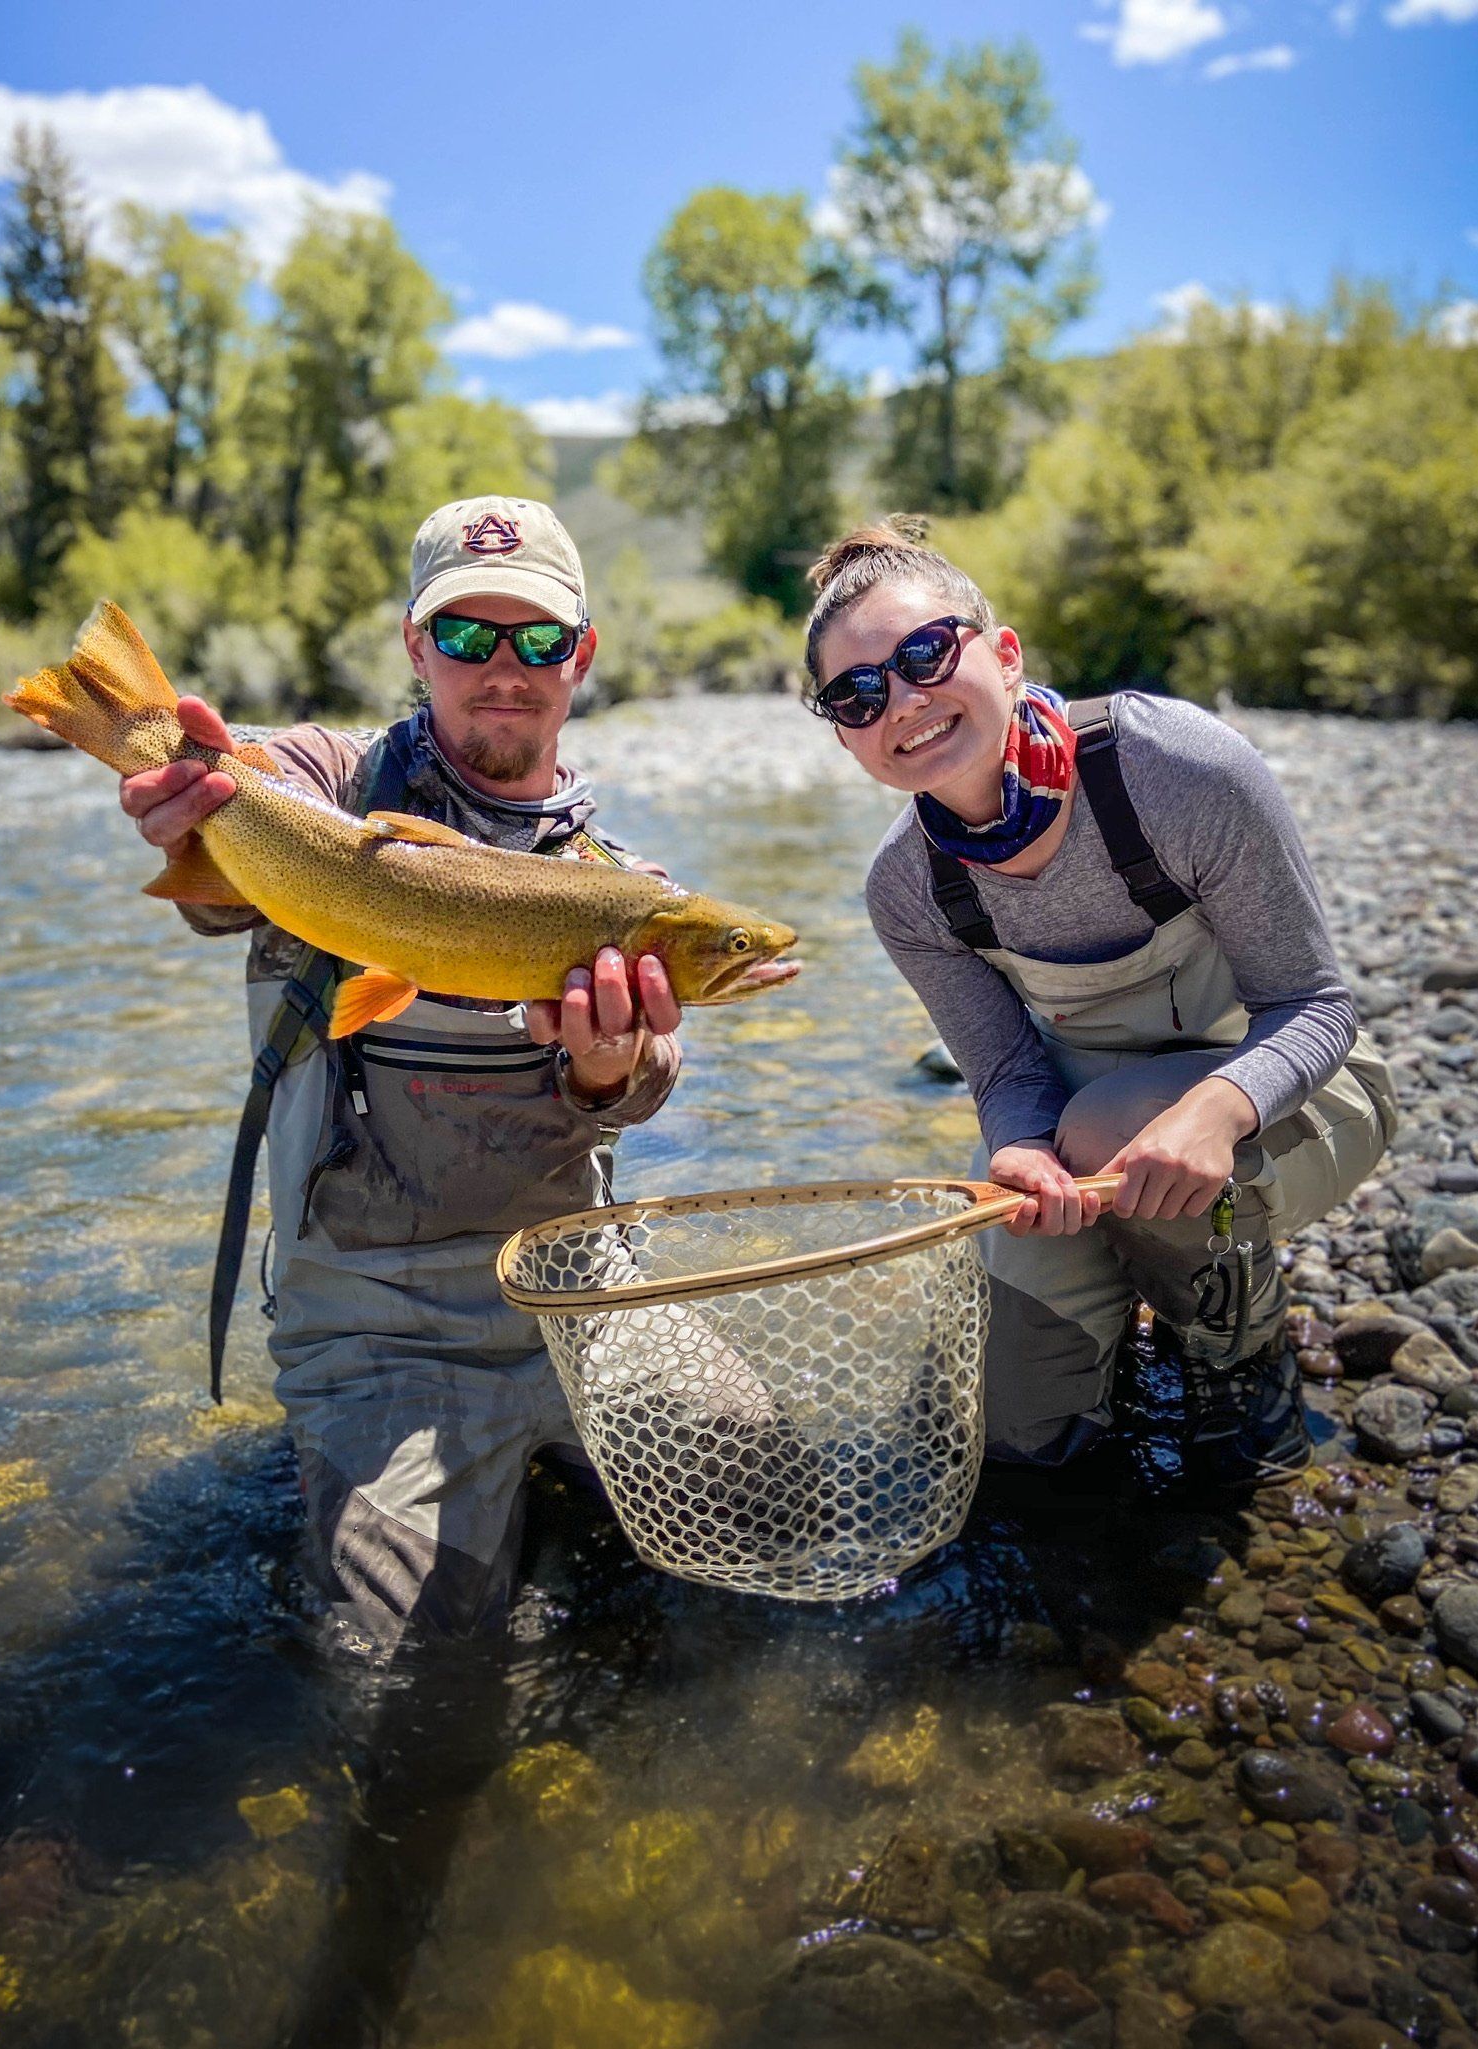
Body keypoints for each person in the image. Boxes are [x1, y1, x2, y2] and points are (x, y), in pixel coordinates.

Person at [119, 495, 683, 1645]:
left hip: (578, 1289)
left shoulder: (620, 881)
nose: (503, 667)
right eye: (466, 635)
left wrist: (606, 1070)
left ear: (581, 654)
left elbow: (645, 1083)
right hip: (376, 1318)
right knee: (402, 1665)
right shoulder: (333, 786)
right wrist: (187, 796)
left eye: (536, 637)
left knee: (759, 1517)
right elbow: (235, 837)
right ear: (416, 647)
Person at [803, 517, 1397, 1491]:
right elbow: (1005, 1072)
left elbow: (1314, 1006)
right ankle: (1114, 1326)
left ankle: (1232, 1334)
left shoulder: (1177, 771)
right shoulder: (906, 888)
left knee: (1105, 1125)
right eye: (857, 694)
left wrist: (1215, 1113)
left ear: (1004, 655)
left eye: (924, 654)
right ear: (843, 733)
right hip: (1081, 1135)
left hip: (1288, 1095)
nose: (901, 700)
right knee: (1020, 1439)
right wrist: (1018, 1153)